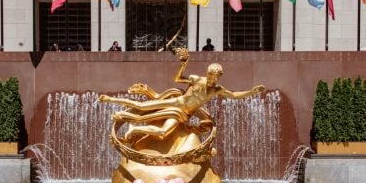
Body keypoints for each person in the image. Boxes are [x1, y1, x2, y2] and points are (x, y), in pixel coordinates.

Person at [99, 48, 264, 148]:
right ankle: (111, 100)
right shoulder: (197, 79)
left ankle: (135, 129)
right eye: (211, 75)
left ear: (219, 77)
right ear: (207, 74)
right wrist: (183, 65)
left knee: (163, 132)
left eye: (215, 76)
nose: (212, 79)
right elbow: (178, 79)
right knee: (143, 107)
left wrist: (251, 92)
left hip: (182, 115)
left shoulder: (217, 89)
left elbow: (234, 95)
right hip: (175, 103)